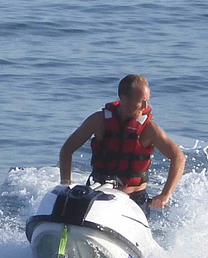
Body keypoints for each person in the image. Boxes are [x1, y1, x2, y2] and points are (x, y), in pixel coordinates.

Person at [58, 74, 186, 213]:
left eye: (147, 101)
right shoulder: (99, 121)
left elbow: (178, 158)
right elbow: (67, 149)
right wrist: (65, 182)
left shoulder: (149, 129)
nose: (145, 106)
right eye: (141, 101)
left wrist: (165, 195)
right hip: (98, 193)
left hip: (134, 199)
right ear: (124, 99)